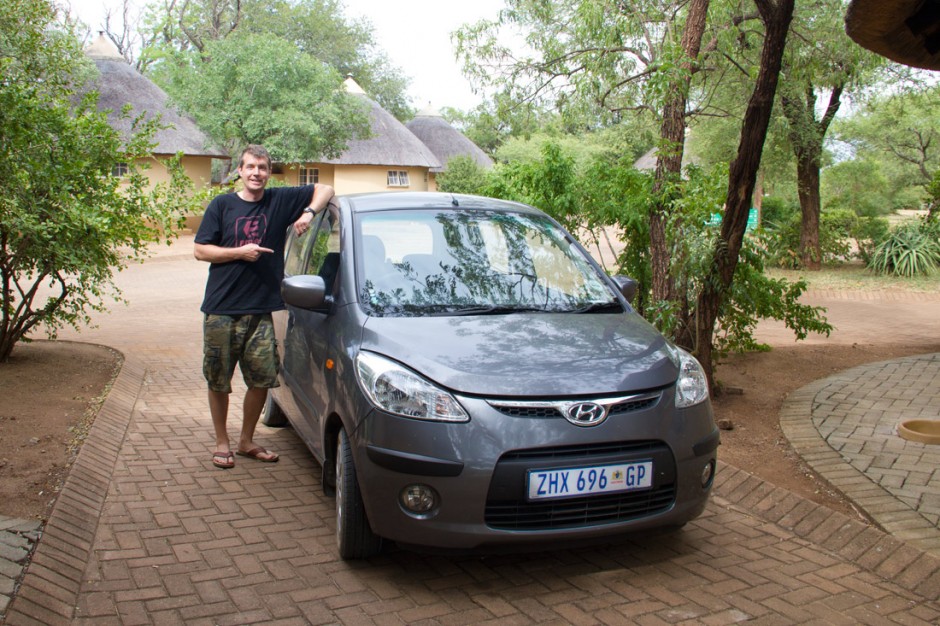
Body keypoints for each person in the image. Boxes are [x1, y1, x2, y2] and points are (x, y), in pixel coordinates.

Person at [194, 144, 334, 469]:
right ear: (240, 171)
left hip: (260, 310)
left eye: (262, 168)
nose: (256, 173)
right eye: (250, 167)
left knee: (262, 380)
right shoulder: (222, 205)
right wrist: (238, 253)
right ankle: (221, 442)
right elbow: (201, 250)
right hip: (221, 308)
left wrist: (308, 213)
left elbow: (325, 188)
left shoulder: (279, 200)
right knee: (219, 380)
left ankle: (245, 440)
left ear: (268, 173)